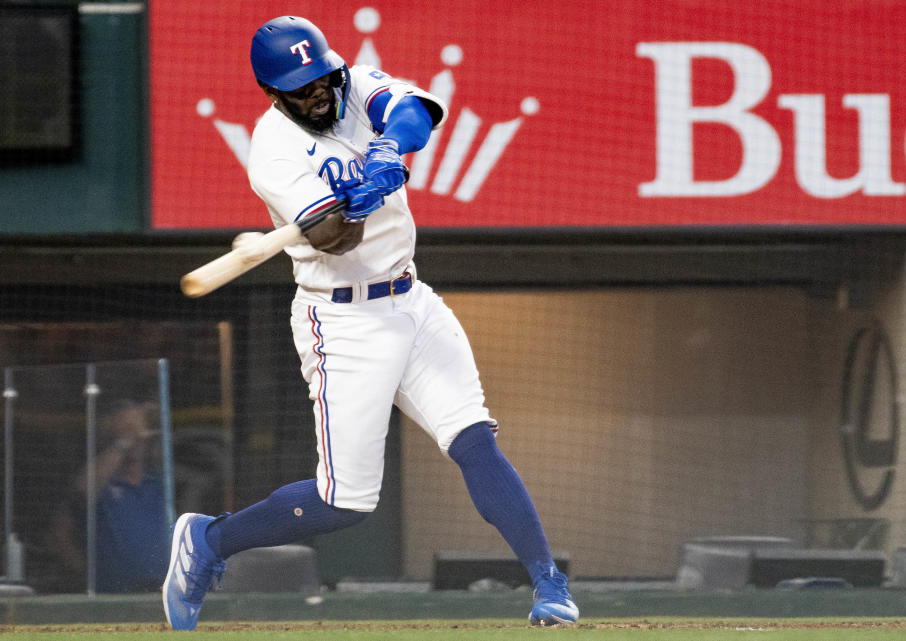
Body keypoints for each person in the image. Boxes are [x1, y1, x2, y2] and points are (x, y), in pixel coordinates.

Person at [162, 15, 578, 630]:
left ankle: (549, 584)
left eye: (322, 77)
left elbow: (415, 110)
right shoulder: (273, 151)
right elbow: (331, 239)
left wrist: (387, 150)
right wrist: (352, 201)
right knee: (345, 502)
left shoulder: (353, 84)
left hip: (411, 300)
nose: (319, 92)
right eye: (301, 88)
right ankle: (210, 541)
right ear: (274, 96)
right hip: (342, 320)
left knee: (473, 439)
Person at [49, 399, 169, 593]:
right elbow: (60, 533)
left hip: (161, 592)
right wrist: (90, 574)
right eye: (126, 430)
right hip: (115, 596)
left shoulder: (158, 484)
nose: (136, 437)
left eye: (139, 430)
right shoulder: (101, 482)